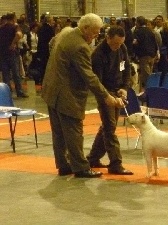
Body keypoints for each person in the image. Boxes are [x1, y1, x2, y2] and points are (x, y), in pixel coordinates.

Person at [41, 13, 125, 178]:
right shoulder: (80, 46)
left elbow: (52, 45)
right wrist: (107, 97)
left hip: (51, 90)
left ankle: (64, 166)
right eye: (94, 32)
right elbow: (89, 77)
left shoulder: (66, 33)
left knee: (58, 132)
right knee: (74, 131)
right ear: (85, 28)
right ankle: (81, 167)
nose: (96, 36)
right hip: (67, 94)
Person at [85, 25, 133, 175]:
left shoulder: (122, 48)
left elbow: (126, 69)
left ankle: (92, 158)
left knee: (108, 126)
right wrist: (108, 97)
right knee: (110, 128)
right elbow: (97, 82)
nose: (117, 46)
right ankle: (115, 163)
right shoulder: (98, 55)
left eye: (120, 43)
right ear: (107, 38)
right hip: (105, 93)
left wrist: (124, 87)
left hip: (118, 90)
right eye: (115, 43)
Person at [0, 12, 29, 98]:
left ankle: (7, 93)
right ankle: (19, 92)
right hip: (12, 53)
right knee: (16, 73)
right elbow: (18, 35)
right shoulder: (15, 27)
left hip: (2, 54)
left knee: (6, 75)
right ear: (13, 19)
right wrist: (13, 43)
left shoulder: (1, 28)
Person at [132, 16, 158, 92]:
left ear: (138, 23)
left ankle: (149, 92)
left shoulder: (138, 31)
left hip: (144, 55)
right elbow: (155, 43)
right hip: (152, 55)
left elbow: (135, 42)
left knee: (146, 76)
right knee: (150, 72)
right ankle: (147, 90)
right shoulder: (151, 31)